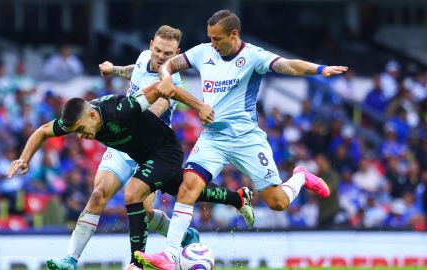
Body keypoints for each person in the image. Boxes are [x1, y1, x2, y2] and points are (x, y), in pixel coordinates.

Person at [135, 10, 348, 269]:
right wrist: (166, 78)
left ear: (234, 35)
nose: (212, 44)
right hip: (213, 138)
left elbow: (288, 65)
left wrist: (320, 69)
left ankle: (301, 176)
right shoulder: (203, 52)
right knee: (187, 187)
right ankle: (169, 256)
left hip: (246, 139)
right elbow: (169, 64)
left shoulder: (253, 56)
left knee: (277, 202)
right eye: (210, 38)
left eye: (217, 39)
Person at [8, 68, 253, 270]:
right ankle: (237, 198)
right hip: (141, 155)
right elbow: (42, 131)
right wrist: (23, 158)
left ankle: (137, 262)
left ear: (93, 116)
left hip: (164, 151)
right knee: (186, 188)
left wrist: (198, 106)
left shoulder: (121, 108)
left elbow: (161, 89)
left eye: (82, 130)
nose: (81, 137)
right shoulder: (77, 117)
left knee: (133, 193)